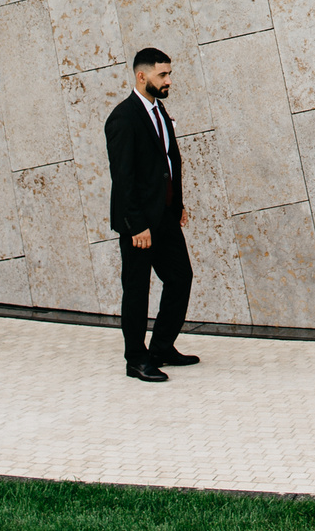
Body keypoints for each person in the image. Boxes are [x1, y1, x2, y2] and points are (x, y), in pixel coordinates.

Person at [105, 46, 198, 382]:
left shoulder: (160, 112)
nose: (168, 80)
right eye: (162, 75)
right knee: (137, 289)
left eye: (169, 74)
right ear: (141, 76)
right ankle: (136, 359)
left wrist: (178, 205)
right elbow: (124, 177)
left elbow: (169, 162)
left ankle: (161, 347)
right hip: (140, 224)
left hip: (166, 217)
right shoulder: (123, 117)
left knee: (180, 277)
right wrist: (136, 225)